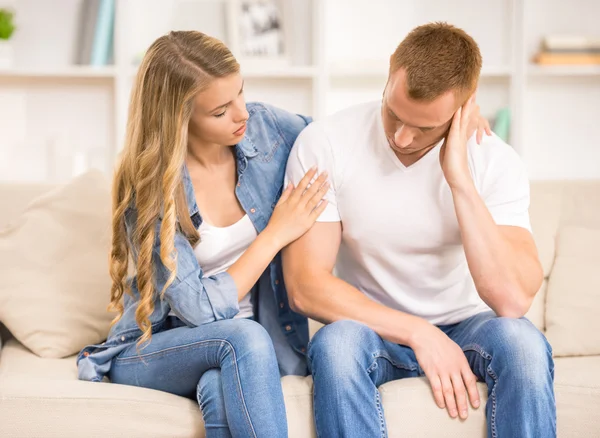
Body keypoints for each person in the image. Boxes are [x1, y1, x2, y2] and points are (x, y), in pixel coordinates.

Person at [283, 22, 555, 438]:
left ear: (466, 105)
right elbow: (306, 286)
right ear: (392, 69)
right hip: (370, 327)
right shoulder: (326, 143)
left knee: (524, 346)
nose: (401, 136)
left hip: (470, 326)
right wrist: (420, 332)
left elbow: (512, 300)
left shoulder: (496, 163)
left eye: (425, 128)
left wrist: (459, 179)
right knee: (336, 347)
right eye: (394, 112)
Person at [76, 30, 330, 438]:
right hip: (156, 346)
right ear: (179, 117)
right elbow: (197, 311)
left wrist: (453, 119)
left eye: (241, 94)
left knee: (220, 384)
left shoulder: (267, 130)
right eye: (220, 111)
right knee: (242, 338)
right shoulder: (153, 185)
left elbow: (340, 141)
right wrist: (274, 234)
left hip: (255, 348)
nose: (242, 114)